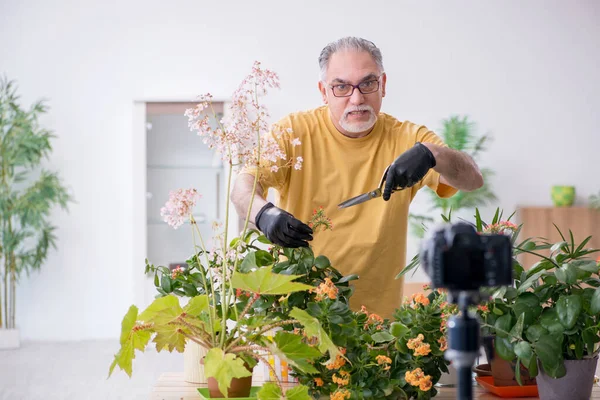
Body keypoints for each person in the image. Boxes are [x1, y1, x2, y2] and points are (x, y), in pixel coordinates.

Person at [231, 37, 483, 318]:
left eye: (367, 83)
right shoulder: (292, 132)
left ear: (383, 84)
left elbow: (473, 179)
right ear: (323, 91)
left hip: (378, 324)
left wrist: (432, 154)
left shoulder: (407, 137)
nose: (357, 98)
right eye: (341, 87)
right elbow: (241, 190)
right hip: (301, 316)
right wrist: (264, 215)